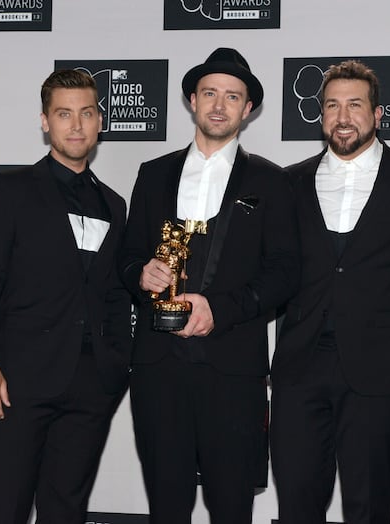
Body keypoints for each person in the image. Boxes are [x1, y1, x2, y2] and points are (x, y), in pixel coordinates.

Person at [119, 47, 300, 524]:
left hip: (232, 372)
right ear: (192, 101)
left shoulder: (272, 182)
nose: (219, 105)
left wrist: (221, 309)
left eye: (232, 96)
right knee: (166, 506)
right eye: (210, 93)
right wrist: (142, 275)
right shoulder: (152, 174)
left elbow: (284, 272)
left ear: (248, 109)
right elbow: (126, 258)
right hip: (158, 369)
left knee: (232, 507)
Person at [270, 60, 390, 524]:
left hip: (378, 371)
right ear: (320, 114)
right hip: (299, 369)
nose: (343, 117)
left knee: (369, 506)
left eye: (355, 105)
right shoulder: (288, 181)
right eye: (332, 106)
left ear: (379, 114)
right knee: (296, 505)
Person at [0, 69, 131, 524]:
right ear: (45, 121)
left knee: (66, 511)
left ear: (100, 122)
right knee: (4, 508)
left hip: (91, 384)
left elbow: (115, 294)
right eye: (64, 114)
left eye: (86, 113)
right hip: (17, 383)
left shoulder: (114, 205)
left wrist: (116, 366)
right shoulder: (9, 190)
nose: (76, 125)